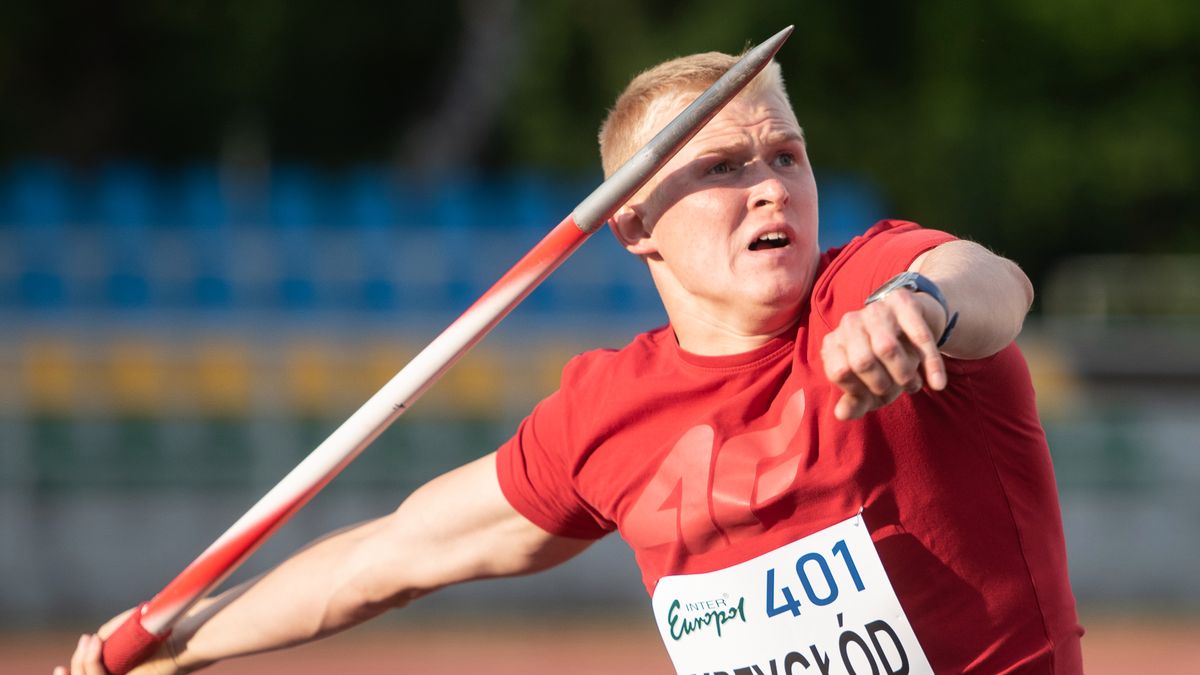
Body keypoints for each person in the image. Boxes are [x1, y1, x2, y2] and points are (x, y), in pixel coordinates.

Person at [56, 51, 1083, 675]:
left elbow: (993, 283)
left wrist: (920, 309)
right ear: (634, 224)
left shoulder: (875, 282)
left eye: (787, 155)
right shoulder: (608, 413)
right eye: (724, 168)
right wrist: (180, 641)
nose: (772, 188)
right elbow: (388, 557)